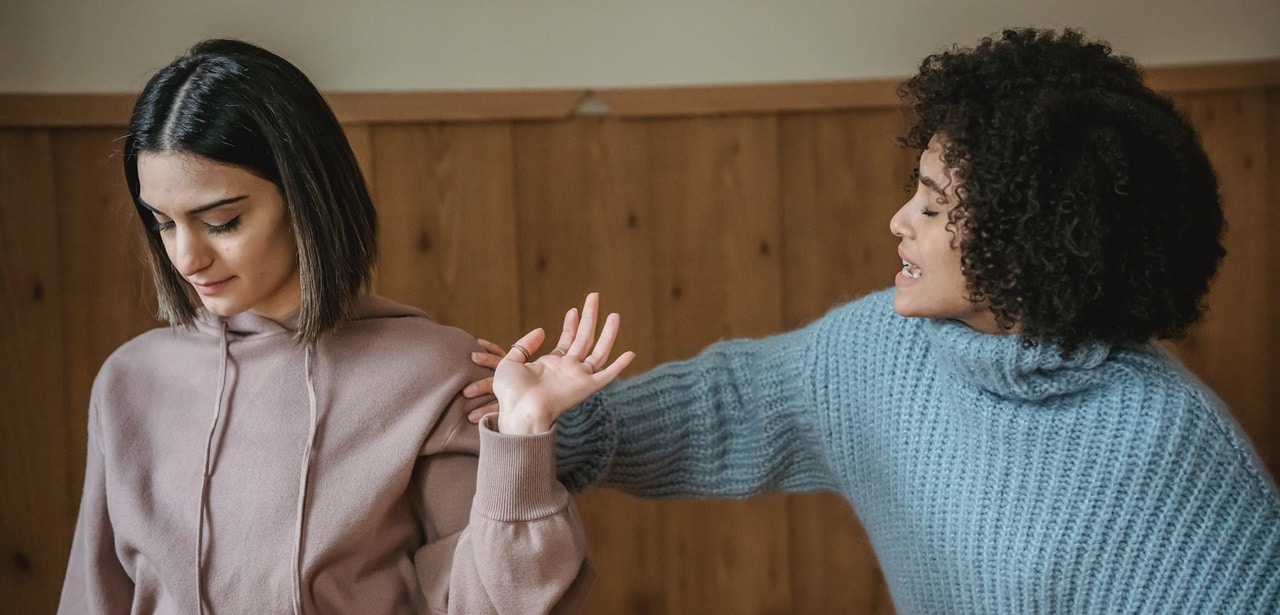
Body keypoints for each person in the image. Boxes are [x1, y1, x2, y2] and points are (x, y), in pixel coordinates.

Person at [467, 28, 1280, 612]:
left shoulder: (1169, 439)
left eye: (933, 205)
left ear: (1031, 235)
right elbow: (728, 407)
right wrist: (545, 426)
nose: (899, 221)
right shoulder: (883, 350)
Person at [58, 39, 633, 614]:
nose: (186, 258)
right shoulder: (128, 381)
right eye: (162, 223)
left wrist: (523, 436)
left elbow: (492, 604)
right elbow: (93, 597)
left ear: (305, 196)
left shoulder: (432, 373)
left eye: (222, 221)